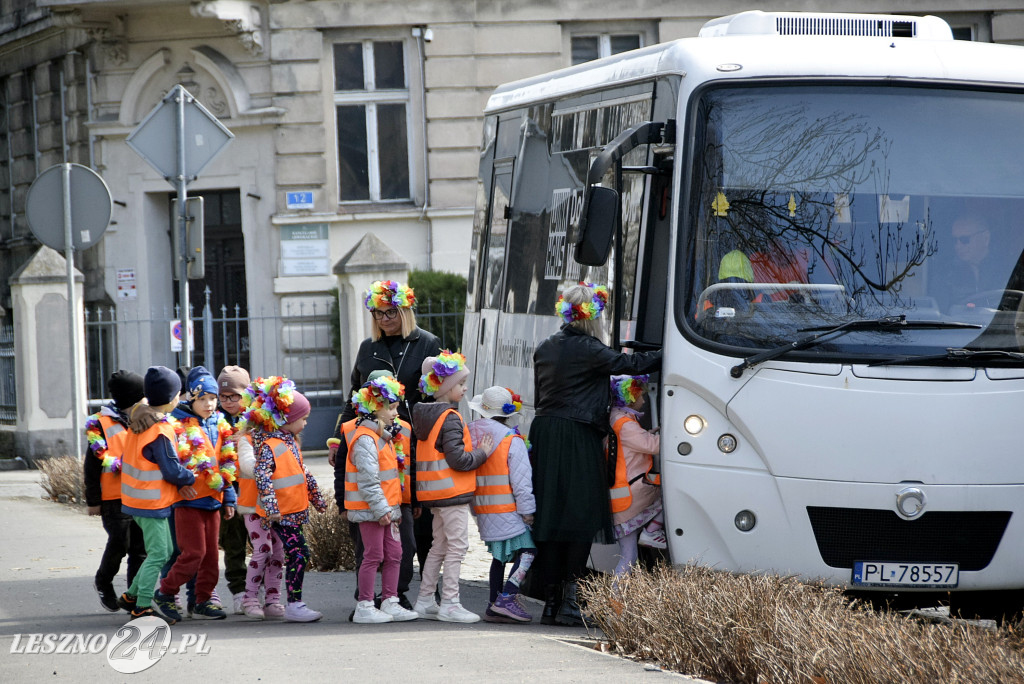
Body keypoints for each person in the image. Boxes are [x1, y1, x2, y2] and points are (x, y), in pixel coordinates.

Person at [531, 282, 661, 626]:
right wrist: (671, 351)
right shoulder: (589, 348)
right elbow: (630, 364)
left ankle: (551, 602)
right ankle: (570, 602)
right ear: (594, 318)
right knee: (580, 518)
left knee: (552, 518)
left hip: (545, 433)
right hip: (577, 435)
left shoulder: (545, 346)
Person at [330, 279, 441, 611]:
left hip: (411, 442)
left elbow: (433, 397)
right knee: (372, 521)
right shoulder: (368, 347)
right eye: (377, 313)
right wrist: (338, 436)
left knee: (413, 522)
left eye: (390, 312)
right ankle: (369, 594)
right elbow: (353, 397)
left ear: (405, 310)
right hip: (370, 440)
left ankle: (404, 591)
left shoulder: (427, 343)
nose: (384, 318)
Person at [411, 351, 493, 623]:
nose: (465, 388)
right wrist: (481, 453)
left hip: (434, 494)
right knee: (457, 547)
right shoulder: (450, 417)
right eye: (460, 384)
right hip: (452, 494)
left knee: (439, 546)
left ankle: (425, 599)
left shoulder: (424, 415)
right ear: (446, 387)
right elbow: (458, 459)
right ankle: (450, 602)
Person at [152, 366, 238, 623]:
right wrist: (179, 484)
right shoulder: (177, 425)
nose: (210, 404)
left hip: (214, 499)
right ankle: (165, 593)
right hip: (188, 500)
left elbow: (226, 464)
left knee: (211, 555)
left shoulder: (220, 424)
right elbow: (170, 462)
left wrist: (229, 497)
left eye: (213, 398)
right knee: (193, 553)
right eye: (203, 399)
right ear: (191, 398)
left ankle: (202, 599)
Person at [245, 376, 328, 622]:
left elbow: (303, 473)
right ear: (287, 419)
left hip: (291, 511)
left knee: (296, 554)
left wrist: (316, 498)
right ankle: (294, 603)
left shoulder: (290, 442)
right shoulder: (271, 445)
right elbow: (262, 477)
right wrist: (271, 508)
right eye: (302, 419)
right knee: (299, 553)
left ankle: (291, 602)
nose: (305, 423)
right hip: (281, 514)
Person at [118, 366, 197, 621]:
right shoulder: (160, 430)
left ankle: (131, 595)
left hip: (137, 499)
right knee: (160, 554)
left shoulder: (140, 420)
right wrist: (191, 476)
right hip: (151, 502)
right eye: (179, 394)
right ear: (173, 397)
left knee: (161, 550)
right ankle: (141, 606)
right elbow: (171, 470)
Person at [346, 375, 420, 623]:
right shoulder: (366, 439)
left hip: (387, 510)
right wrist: (381, 509)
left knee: (395, 553)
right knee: (373, 555)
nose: (395, 412)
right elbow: (368, 481)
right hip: (373, 511)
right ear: (374, 408)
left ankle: (390, 600)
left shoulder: (383, 436)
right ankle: (365, 604)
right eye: (391, 407)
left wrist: (392, 509)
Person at [467, 386, 536, 623]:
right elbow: (522, 482)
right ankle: (507, 598)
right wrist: (527, 512)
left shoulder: (469, 434)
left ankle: (492, 604)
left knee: (498, 558)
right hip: (508, 509)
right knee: (528, 551)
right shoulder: (510, 440)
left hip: (482, 509)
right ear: (508, 414)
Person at [84, 370, 148, 612]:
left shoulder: (145, 418)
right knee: (120, 542)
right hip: (113, 498)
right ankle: (104, 580)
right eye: (142, 397)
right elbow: (91, 466)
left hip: (141, 494)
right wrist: (93, 500)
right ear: (133, 398)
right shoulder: (100, 423)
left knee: (140, 549)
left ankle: (135, 597)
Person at [608, 374, 666, 577]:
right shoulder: (626, 424)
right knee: (671, 495)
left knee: (629, 556)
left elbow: (635, 443)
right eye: (640, 395)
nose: (643, 400)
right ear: (631, 397)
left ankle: (615, 603)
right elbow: (652, 445)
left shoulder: (616, 418)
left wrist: (651, 432)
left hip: (620, 497)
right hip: (632, 495)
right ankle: (652, 532)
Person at [234, 421, 286, 620]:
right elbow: (248, 465)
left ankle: (273, 599)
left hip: (280, 506)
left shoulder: (283, 439)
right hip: (253, 506)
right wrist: (272, 466)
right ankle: (250, 598)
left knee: (278, 553)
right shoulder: (246, 440)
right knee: (263, 549)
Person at [217, 365, 252, 614]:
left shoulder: (256, 418)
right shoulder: (214, 419)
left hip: (253, 488)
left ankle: (259, 589)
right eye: (224, 396)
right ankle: (239, 590)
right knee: (234, 543)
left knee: (262, 543)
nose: (228, 402)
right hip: (228, 489)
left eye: (235, 396)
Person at [945, 216, 996, 309]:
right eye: (954, 240)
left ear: (986, 238)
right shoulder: (946, 275)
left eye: (964, 239)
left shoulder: (1008, 271)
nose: (958, 246)